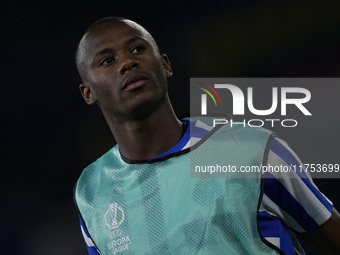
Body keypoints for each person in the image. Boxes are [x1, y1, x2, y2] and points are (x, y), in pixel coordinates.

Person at [74, 17, 340, 255]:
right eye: (108, 61)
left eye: (138, 49)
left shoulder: (253, 149)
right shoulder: (91, 191)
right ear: (89, 93)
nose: (127, 62)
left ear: (165, 65)